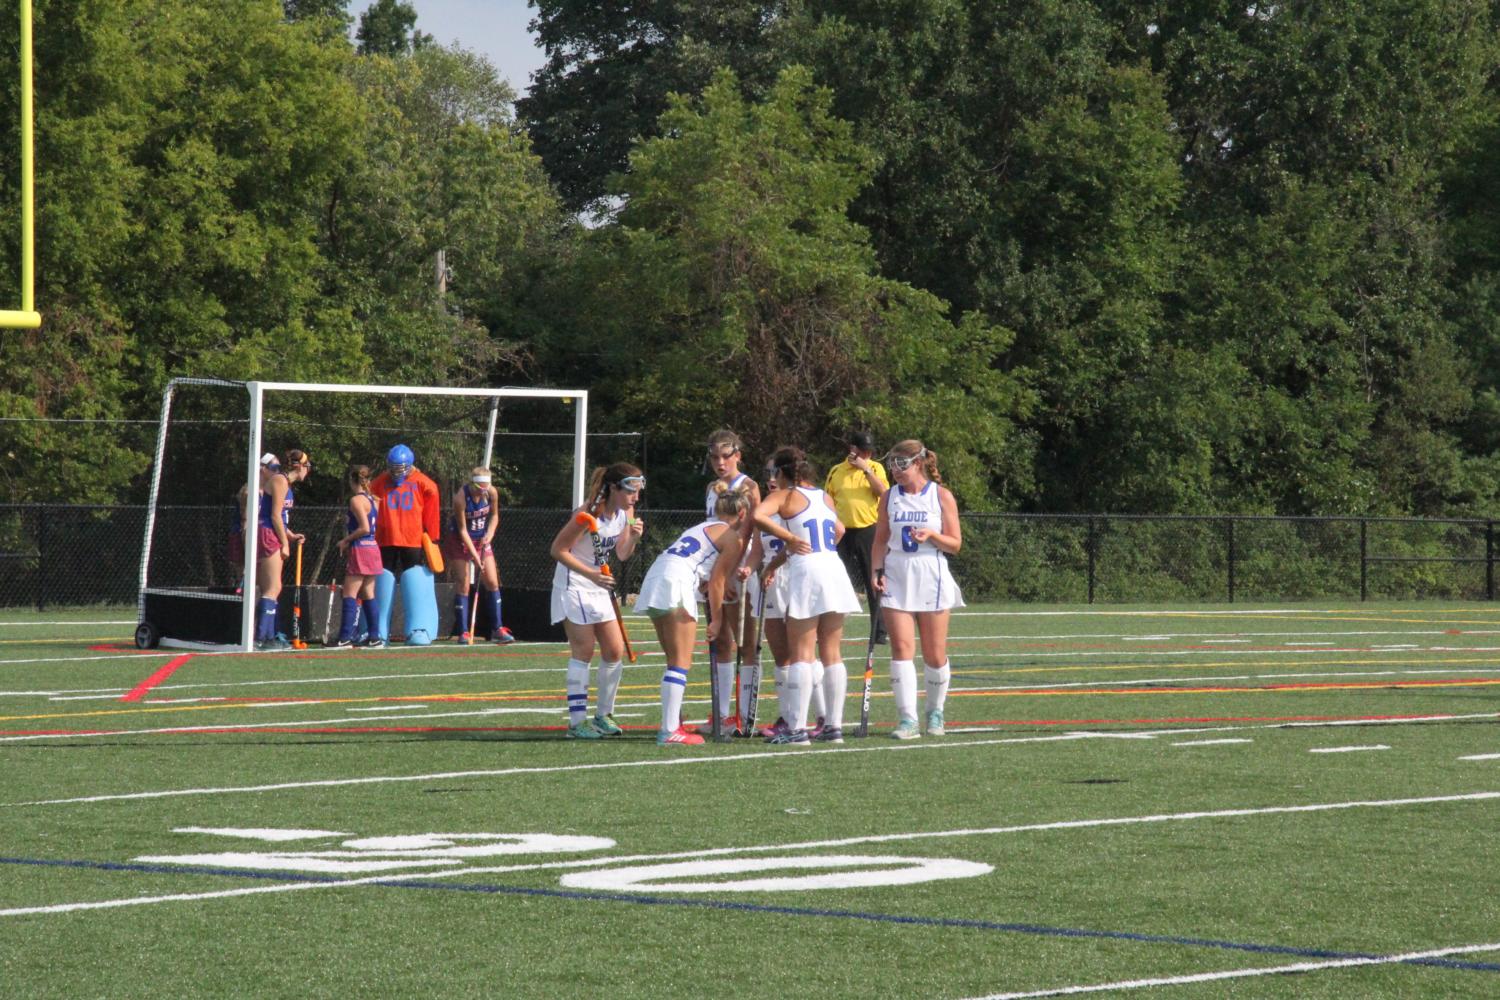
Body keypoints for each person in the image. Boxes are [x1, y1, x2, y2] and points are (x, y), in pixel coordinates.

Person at [752, 446, 860, 745]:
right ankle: (834, 728)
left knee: (801, 652)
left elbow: (757, 515)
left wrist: (788, 537)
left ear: (781, 472)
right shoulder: (824, 496)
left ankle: (797, 729)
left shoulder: (785, 495)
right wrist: (775, 563)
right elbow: (838, 531)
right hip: (833, 567)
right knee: (832, 652)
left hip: (807, 572)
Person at [634, 485, 752, 746]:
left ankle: (672, 723)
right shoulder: (733, 537)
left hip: (656, 577)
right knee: (680, 662)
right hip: (676, 583)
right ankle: (669, 731)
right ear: (743, 513)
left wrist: (704, 584)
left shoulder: (700, 528)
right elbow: (719, 582)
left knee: (673, 659)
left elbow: (704, 572)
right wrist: (718, 620)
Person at [870, 439, 964, 739]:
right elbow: (881, 539)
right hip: (897, 571)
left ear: (919, 463)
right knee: (901, 649)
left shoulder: (941, 496)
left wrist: (932, 535)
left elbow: (955, 544)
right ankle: (907, 719)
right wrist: (876, 570)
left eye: (902, 464)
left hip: (930, 571)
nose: (896, 471)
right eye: (892, 465)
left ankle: (935, 713)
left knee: (934, 654)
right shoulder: (888, 497)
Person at [549, 463, 645, 739]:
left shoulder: (625, 512)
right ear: (613, 488)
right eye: (630, 491)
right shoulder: (587, 513)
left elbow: (623, 553)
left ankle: (604, 715)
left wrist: (634, 537)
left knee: (614, 651)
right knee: (584, 650)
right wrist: (591, 573)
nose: (635, 498)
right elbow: (558, 549)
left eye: (638, 491)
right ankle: (577, 723)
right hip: (575, 583)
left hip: (599, 584)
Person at [700, 430, 760, 735]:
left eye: (726, 456)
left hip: (741, 569)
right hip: (716, 567)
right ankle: (721, 714)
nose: (720, 462)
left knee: (747, 642)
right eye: (714, 457)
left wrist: (739, 569)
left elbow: (751, 530)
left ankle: (746, 716)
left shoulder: (749, 486)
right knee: (721, 639)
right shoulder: (712, 488)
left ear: (738, 455)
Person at [368, 444, 443, 646]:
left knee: (416, 578)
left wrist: (433, 538)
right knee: (381, 579)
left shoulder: (425, 485)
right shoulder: (378, 483)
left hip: (413, 540)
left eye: (399, 468)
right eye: (392, 467)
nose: (395, 472)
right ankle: (377, 631)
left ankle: (419, 628)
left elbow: (432, 515)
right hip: (385, 539)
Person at [825, 430, 889, 645]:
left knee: (874, 581)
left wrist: (866, 470)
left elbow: (883, 493)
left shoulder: (875, 468)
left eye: (869, 452)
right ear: (852, 449)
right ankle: (826, 627)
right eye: (862, 451)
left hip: (868, 529)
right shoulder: (836, 470)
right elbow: (827, 499)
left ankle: (879, 631)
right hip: (841, 531)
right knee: (833, 579)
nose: (866, 455)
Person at [444, 467, 515, 644]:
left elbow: (495, 517)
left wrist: (489, 534)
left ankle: (498, 628)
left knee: (492, 581)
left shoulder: (492, 493)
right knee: (464, 583)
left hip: (481, 540)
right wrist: (475, 556)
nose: (483, 491)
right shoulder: (460, 498)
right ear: (472, 483)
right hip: (460, 541)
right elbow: (462, 530)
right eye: (480, 488)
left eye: (486, 487)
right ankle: (463, 631)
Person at [253, 450, 311, 651]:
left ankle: (267, 636)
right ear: (298, 466)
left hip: (273, 532)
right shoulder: (280, 480)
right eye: (307, 466)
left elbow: (281, 518)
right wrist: (285, 543)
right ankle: (262, 638)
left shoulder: (285, 482)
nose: (308, 470)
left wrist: (291, 535)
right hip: (269, 534)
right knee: (273, 588)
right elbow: (275, 516)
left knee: (272, 588)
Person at [333, 464, 383, 648]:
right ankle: (374, 637)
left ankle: (345, 637)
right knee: (368, 593)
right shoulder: (374, 500)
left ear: (352, 480)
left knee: (349, 593)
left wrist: (345, 540)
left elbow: (364, 528)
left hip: (361, 548)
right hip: (373, 548)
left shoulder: (356, 500)